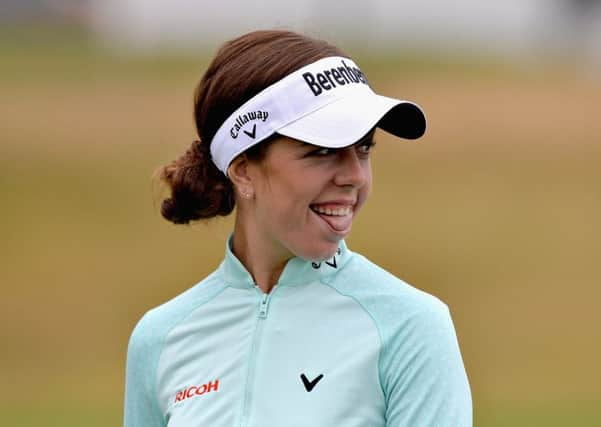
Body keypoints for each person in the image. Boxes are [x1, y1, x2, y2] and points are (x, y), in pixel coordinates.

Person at [124, 30, 472, 427]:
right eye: (322, 151)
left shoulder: (411, 327)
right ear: (243, 171)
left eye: (364, 147)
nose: (355, 175)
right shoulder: (161, 339)